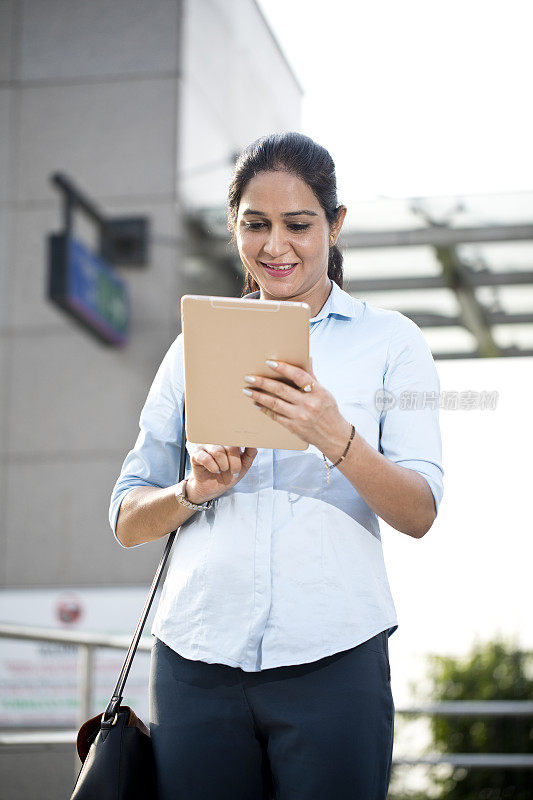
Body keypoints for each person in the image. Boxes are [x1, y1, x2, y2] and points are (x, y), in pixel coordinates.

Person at [109, 131, 444, 800]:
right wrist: (193, 489)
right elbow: (126, 519)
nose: (275, 245)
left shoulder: (391, 343)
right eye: (254, 225)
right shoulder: (189, 349)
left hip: (334, 659)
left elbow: (418, 512)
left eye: (298, 224)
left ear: (335, 223)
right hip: (194, 660)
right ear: (234, 226)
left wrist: (333, 434)